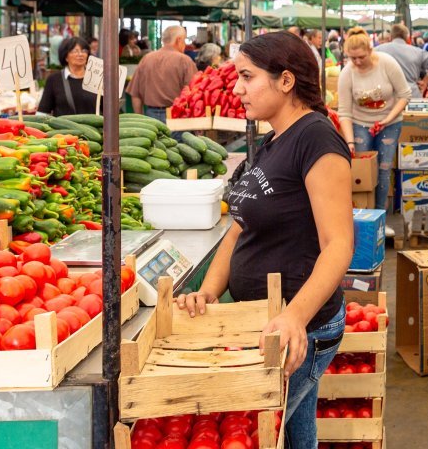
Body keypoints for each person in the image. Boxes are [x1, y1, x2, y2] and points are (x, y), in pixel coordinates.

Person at [175, 31, 352, 449]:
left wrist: (295, 317)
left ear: (286, 81)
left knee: (259, 436)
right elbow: (239, 227)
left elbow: (339, 245)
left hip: (300, 329)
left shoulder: (317, 140)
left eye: (247, 77)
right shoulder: (275, 139)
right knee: (294, 434)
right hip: (267, 324)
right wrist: (209, 293)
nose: (237, 88)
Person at [337, 27, 411, 218]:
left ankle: (380, 217)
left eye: (361, 57)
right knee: (363, 172)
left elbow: (404, 95)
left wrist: (387, 119)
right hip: (360, 123)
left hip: (390, 122)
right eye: (353, 58)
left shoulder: (387, 63)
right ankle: (363, 216)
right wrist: (350, 142)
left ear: (370, 50)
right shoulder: (347, 73)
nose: (358, 62)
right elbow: (344, 111)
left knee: (384, 168)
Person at [127, 26, 196, 122]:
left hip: (150, 117)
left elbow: (135, 94)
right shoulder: (185, 60)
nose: (184, 44)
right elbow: (194, 94)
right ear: (178, 40)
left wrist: (141, 120)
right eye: (184, 40)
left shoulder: (146, 59)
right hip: (177, 117)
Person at [375, 24, 428, 98]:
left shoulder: (378, 50)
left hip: (388, 96)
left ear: (390, 37)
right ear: (407, 37)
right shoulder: (417, 52)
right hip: (411, 95)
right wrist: (425, 82)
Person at [37, 37, 98, 117]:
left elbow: (108, 109)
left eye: (84, 51)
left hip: (93, 129)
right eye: (75, 51)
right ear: (66, 56)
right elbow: (43, 113)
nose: (80, 54)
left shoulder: (96, 78)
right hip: (63, 129)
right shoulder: (54, 79)